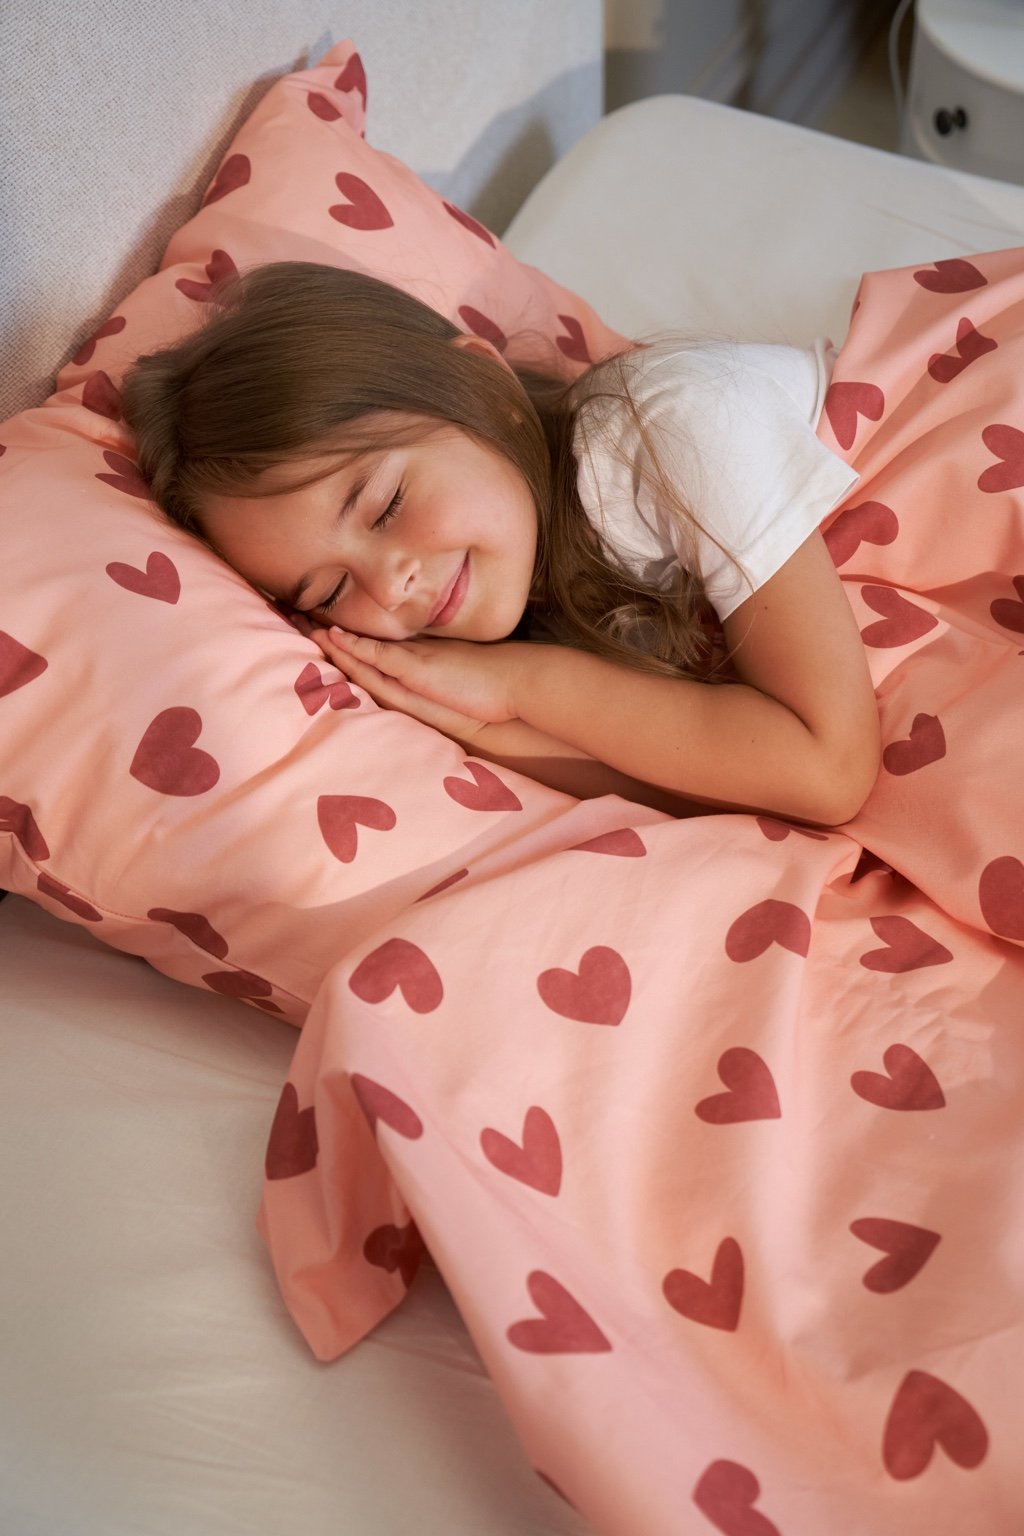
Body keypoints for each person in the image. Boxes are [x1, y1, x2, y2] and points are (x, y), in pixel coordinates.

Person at [120, 260, 881, 825]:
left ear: (483, 390)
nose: (390, 588)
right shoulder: (530, 590)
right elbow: (746, 790)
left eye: (385, 508)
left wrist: (523, 686)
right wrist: (485, 727)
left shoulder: (665, 425)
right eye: (330, 592)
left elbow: (830, 769)